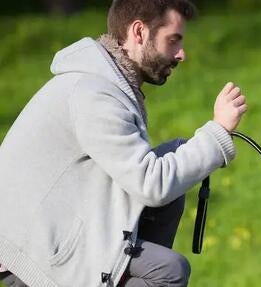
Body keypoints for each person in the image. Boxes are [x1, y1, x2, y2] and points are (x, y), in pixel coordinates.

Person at [0, 0, 247, 286]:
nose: (181, 54)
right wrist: (216, 134)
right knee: (169, 272)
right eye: (173, 40)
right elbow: (151, 185)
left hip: (57, 232)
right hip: (30, 253)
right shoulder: (93, 95)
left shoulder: (108, 84)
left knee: (176, 158)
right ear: (139, 32)